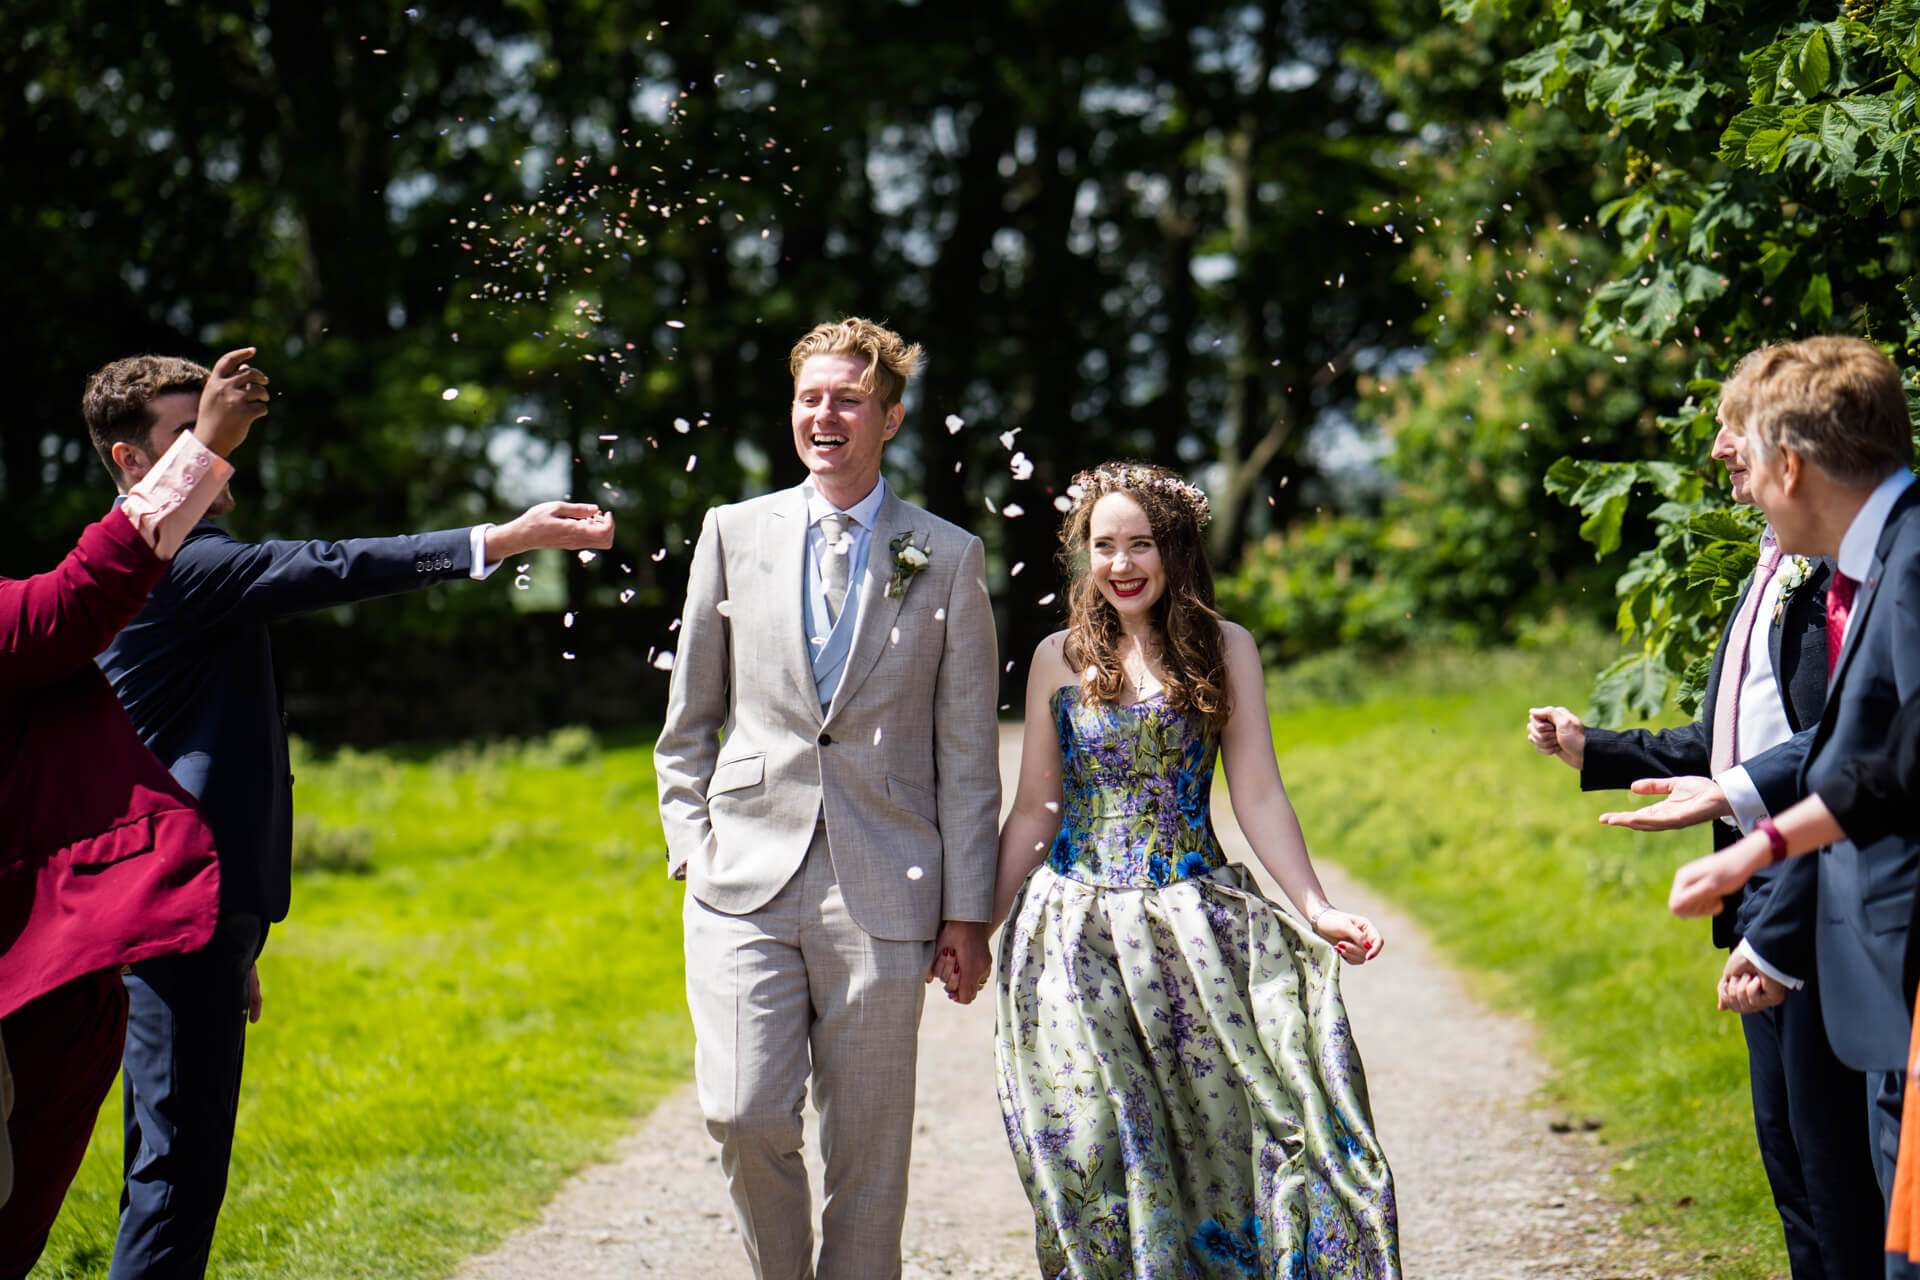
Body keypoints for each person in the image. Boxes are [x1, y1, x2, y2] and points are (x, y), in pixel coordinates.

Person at [83, 352, 616, 1280]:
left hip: (188, 915)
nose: (220, 460)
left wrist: (233, 942)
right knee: (176, 1171)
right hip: (175, 909)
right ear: (134, 463)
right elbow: (335, 566)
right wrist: (506, 537)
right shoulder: (180, 565)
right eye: (189, 436)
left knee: (164, 1157)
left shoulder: (163, 567)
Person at [988, 461, 1399, 1279]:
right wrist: (975, 923)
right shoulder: (1055, 658)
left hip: (1195, 931)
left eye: (1141, 544)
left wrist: (1315, 908)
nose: (1122, 565)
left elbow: (1259, 795)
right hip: (1074, 935)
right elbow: (1036, 811)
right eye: (1104, 546)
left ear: (1175, 550)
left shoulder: (1225, 647)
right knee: (1096, 1139)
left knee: (1223, 1139)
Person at [654, 318, 1000, 1280]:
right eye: (811, 396)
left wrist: (968, 913)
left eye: (848, 398)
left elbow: (969, 756)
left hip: (886, 884)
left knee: (869, 1154)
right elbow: (690, 718)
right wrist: (690, 840)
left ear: (889, 417)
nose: (825, 414)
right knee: (741, 1109)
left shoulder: (949, 556)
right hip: (741, 881)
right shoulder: (731, 533)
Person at [1526, 350, 1880, 1279]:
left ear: (1789, 451)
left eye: (1735, 428)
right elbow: (1733, 734)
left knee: (1840, 1171)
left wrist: (1733, 805)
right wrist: (1596, 748)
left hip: (1822, 895)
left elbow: (1845, 745)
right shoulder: (1774, 568)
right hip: (1761, 891)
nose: (1721, 448)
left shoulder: (1845, 577)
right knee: (1792, 1161)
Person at [1604, 336, 1920, 1278]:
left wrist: (1760, 845)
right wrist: (1751, 833)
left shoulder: (1908, 563)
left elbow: (1906, 757)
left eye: (1743, 449)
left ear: (1790, 463)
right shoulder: (1878, 560)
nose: (1730, 471)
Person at [0, 348, 264, 1279]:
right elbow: (86, 595)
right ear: (126, 456)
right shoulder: (26, 621)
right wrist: (206, 448)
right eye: (176, 436)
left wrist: (205, 928)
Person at [1670, 691, 1920, 1263]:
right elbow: (1869, 759)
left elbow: (1872, 754)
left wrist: (1762, 862)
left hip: (1871, 932)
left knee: (1857, 1197)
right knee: (1802, 1177)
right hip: (1792, 907)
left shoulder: (1890, 599)